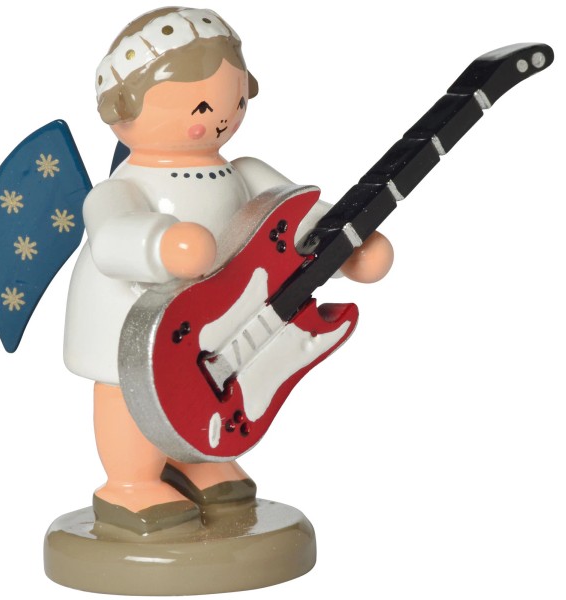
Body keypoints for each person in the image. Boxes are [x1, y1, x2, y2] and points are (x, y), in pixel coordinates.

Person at [63, 6, 394, 532]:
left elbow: (298, 221)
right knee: (130, 392)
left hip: (219, 315)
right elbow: (110, 237)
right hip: (130, 317)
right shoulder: (124, 186)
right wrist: (163, 245)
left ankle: (195, 461)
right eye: (202, 105)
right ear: (122, 111)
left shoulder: (243, 173)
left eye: (235, 102)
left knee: (203, 387)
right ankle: (129, 484)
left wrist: (348, 249)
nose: (221, 118)